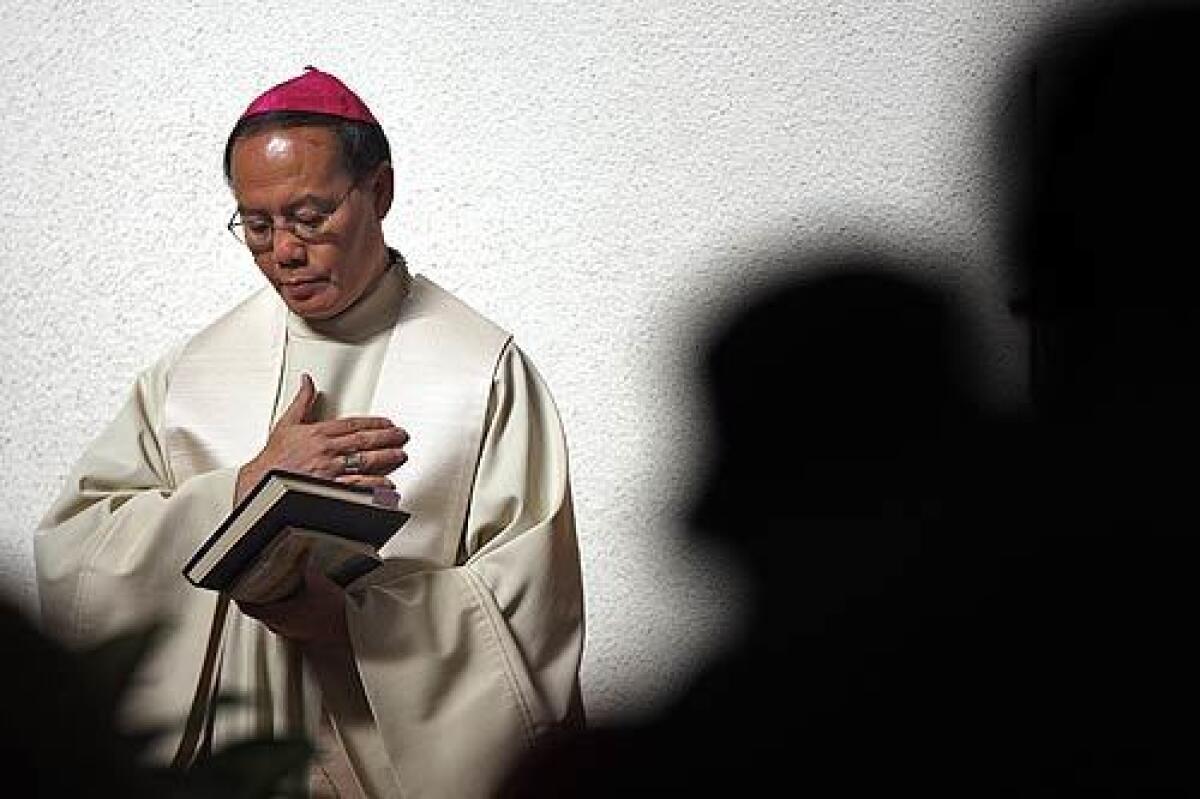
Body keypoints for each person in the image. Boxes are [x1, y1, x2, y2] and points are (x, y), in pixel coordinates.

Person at [35, 67, 585, 799]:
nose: (283, 251)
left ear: (379, 192)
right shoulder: (191, 375)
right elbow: (75, 551)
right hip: (225, 768)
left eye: (309, 216)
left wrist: (354, 622)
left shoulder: (480, 371)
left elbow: (530, 610)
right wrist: (243, 484)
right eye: (256, 225)